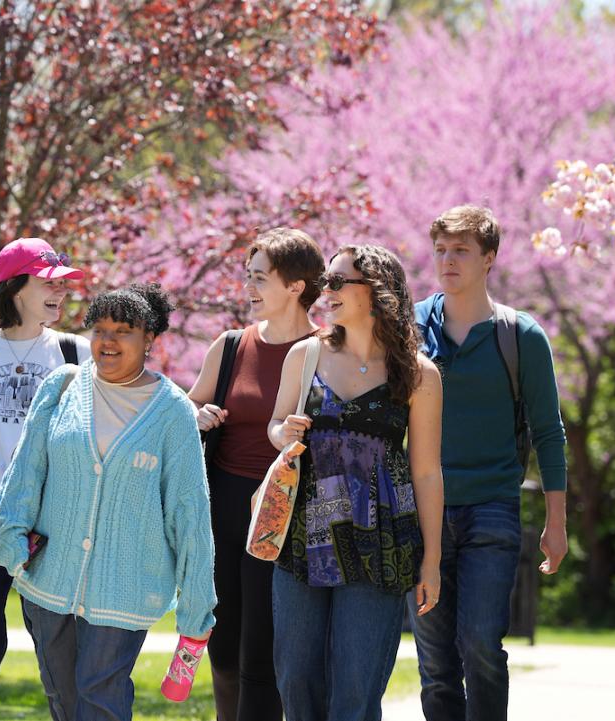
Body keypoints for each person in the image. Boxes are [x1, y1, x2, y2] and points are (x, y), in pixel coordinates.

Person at [0, 283, 216, 721]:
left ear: (149, 339)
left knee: (100, 699)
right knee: (62, 699)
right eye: (99, 329)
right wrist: (11, 546)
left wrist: (195, 611)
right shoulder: (63, 386)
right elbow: (25, 471)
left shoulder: (173, 413)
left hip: (126, 588)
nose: (107, 341)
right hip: (47, 582)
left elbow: (190, 515)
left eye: (123, 331)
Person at [268, 244, 444, 721]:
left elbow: (427, 471)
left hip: (381, 541)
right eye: (327, 281)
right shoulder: (305, 355)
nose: (327, 292)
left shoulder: (419, 374)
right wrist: (283, 432)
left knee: (356, 690)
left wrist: (431, 561)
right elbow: (276, 425)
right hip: (304, 536)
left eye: (339, 281)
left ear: (377, 292)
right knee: (296, 680)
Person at [410, 205, 568, 721]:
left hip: (492, 510)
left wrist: (556, 524)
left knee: (480, 643)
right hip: (423, 514)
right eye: (440, 250)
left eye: (461, 251)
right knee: (435, 662)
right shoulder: (410, 328)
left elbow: (548, 432)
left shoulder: (520, 336)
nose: (447, 261)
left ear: (489, 259)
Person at [0, 237, 91, 721]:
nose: (60, 293)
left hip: (54, 525)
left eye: (62, 284)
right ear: (14, 287)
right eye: (47, 282)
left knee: (62, 659)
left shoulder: (78, 352)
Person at [188, 227, 325, 721]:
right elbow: (188, 407)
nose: (248, 286)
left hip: (288, 509)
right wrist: (196, 415)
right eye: (248, 276)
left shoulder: (325, 349)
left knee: (263, 648)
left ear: (296, 285)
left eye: (260, 277)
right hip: (225, 504)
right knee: (223, 645)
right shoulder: (230, 346)